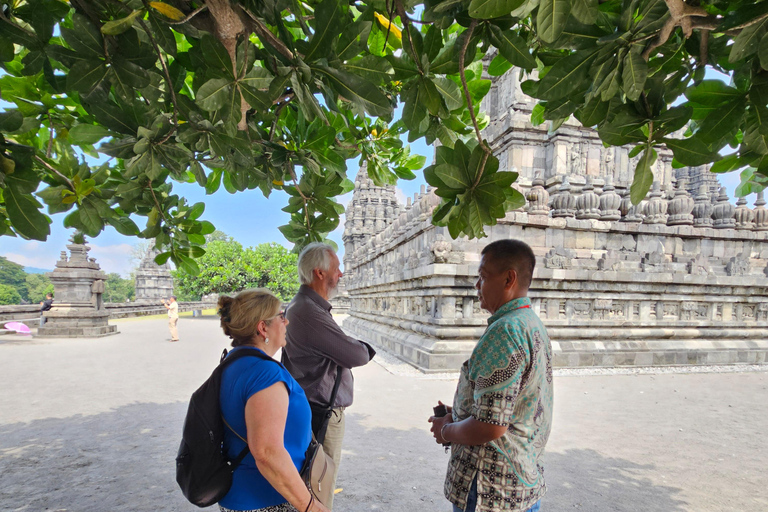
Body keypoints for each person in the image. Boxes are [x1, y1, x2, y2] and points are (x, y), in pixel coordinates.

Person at [429, 239, 554, 512]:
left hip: (491, 490)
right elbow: (511, 405)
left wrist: (446, 430)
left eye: (483, 277)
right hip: (519, 485)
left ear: (509, 278)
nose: (477, 286)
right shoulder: (530, 324)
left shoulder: (505, 332)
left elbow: (490, 426)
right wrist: (460, 413)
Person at [217, 288, 330, 512]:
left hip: (244, 494)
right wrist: (311, 507)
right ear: (262, 327)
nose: (286, 322)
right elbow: (267, 453)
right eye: (281, 316)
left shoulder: (233, 361)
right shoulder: (264, 373)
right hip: (267, 499)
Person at [282, 243, 376, 510]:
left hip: (313, 408)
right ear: (319, 273)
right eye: (336, 268)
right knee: (319, 484)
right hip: (320, 411)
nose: (341, 274)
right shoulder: (307, 311)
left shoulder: (307, 307)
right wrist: (361, 346)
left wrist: (348, 344)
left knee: (315, 480)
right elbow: (356, 355)